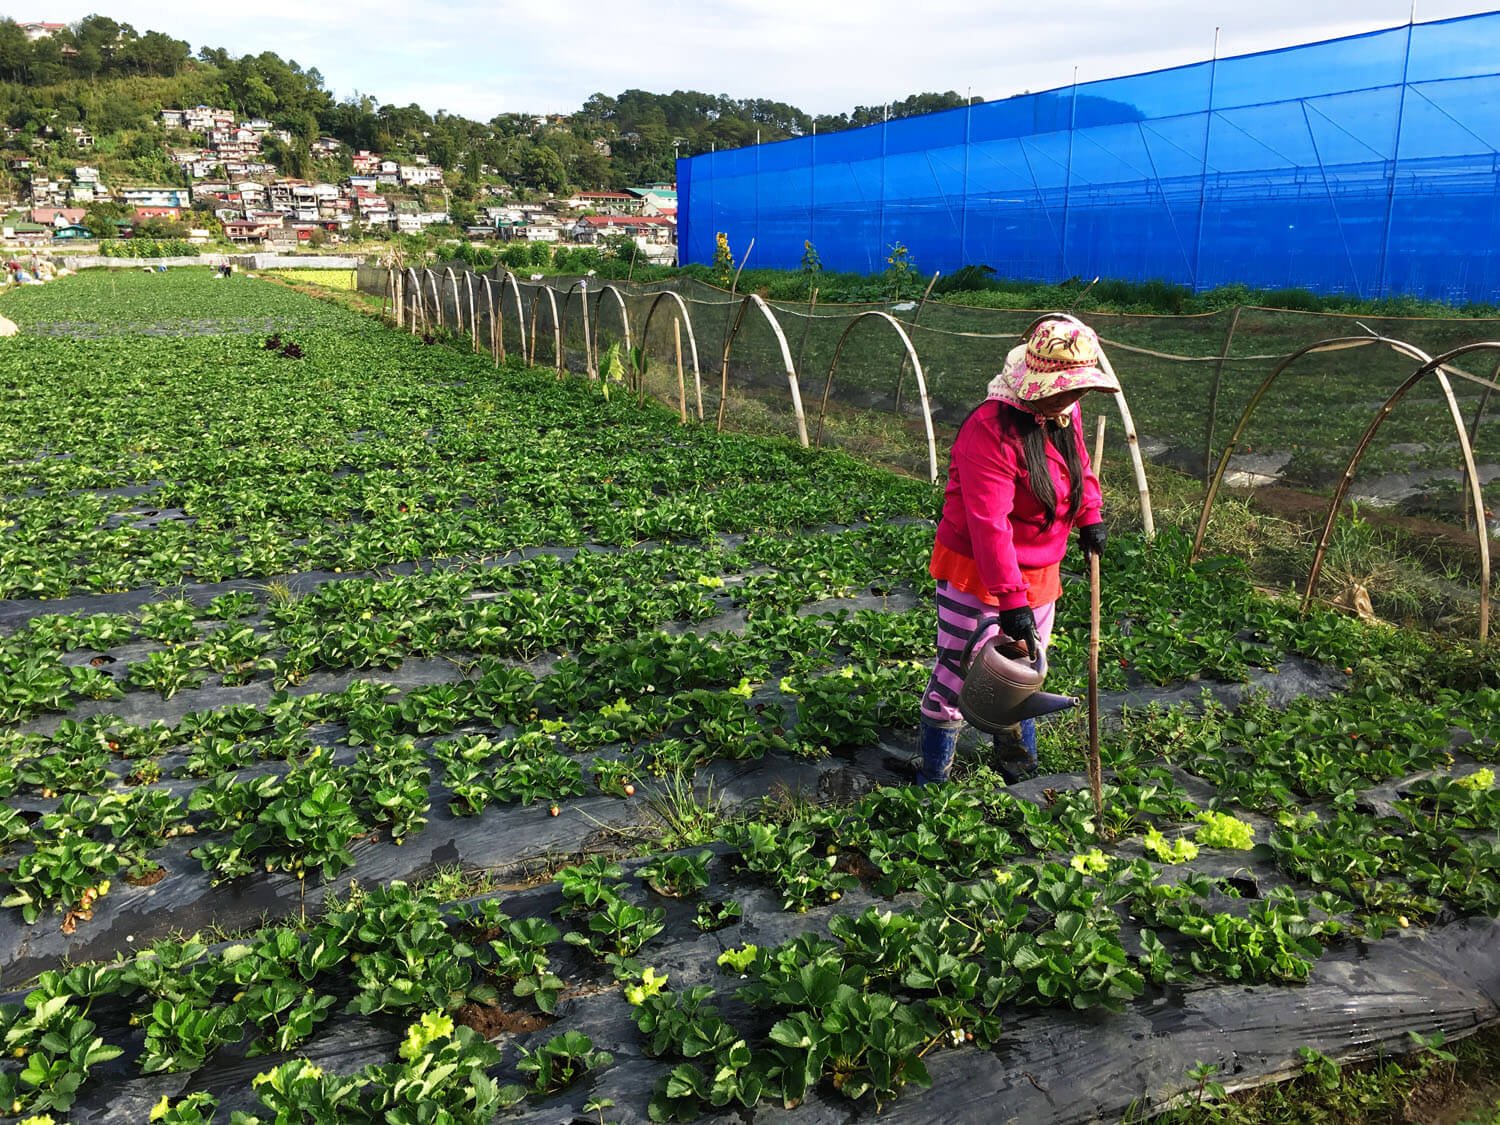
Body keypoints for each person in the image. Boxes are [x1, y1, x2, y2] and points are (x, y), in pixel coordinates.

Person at [916, 315, 1118, 785]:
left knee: (1021, 673)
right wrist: (1011, 601)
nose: (1074, 399)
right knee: (962, 672)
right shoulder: (989, 429)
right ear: (1035, 383)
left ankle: (1016, 766)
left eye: (1078, 390)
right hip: (977, 569)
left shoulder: (1062, 409)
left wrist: (1090, 512)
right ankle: (932, 781)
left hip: (1038, 569)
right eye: (1066, 389)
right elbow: (989, 526)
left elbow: (1077, 462)